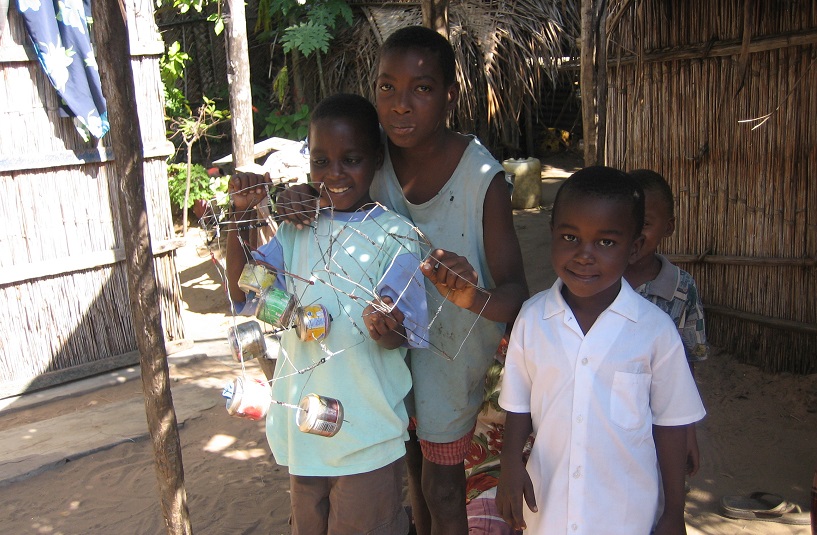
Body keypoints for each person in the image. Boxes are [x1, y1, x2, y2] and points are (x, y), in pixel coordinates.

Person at [263, 26, 529, 535]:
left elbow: (517, 295)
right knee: (401, 467)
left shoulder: (482, 183)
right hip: (372, 359)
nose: (401, 105)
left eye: (422, 88)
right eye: (387, 87)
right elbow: (324, 191)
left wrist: (470, 295)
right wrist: (292, 198)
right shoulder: (366, 154)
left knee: (444, 487)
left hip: (450, 359)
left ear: (451, 95)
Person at [226, 93, 429, 534]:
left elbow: (403, 332)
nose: (334, 174)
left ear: (376, 160)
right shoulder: (297, 229)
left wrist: (384, 325)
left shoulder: (393, 235)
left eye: (350, 159)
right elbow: (245, 289)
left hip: (366, 436)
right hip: (303, 433)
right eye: (321, 161)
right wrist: (240, 216)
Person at [496, 166, 706, 535]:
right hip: (549, 510)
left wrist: (675, 511)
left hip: (626, 514)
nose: (584, 255)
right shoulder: (532, 319)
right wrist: (511, 465)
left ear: (634, 247)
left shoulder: (656, 332)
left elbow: (671, 424)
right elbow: (518, 405)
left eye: (606, 242)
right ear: (552, 235)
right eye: (569, 237)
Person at [624, 168, 710, 478]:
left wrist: (688, 433)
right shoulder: (595, 282)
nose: (632, 232)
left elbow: (687, 367)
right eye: (624, 220)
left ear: (668, 227)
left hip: (660, 423)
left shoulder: (681, 289)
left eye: (645, 223)